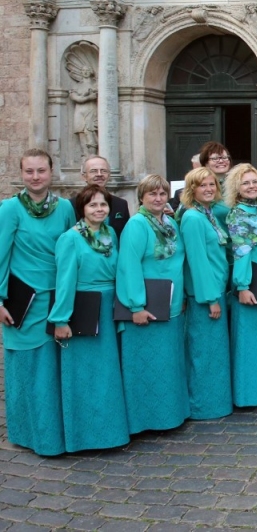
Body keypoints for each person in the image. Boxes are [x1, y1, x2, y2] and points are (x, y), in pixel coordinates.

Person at [0, 149, 76, 455]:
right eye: (29, 171)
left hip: (57, 298)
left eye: (41, 171)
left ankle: (58, 432)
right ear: (21, 174)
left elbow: (73, 250)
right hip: (23, 302)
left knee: (55, 369)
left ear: (51, 172)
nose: (35, 177)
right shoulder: (9, 209)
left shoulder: (66, 208)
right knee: (28, 368)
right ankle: (29, 433)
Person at [50, 184, 130, 452]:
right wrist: (61, 320)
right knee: (86, 373)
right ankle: (85, 435)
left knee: (108, 373)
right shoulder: (70, 238)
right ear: (82, 210)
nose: (99, 209)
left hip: (109, 309)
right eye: (93, 205)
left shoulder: (110, 235)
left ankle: (111, 431)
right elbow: (64, 282)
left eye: (103, 204)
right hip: (83, 307)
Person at [116, 174, 188, 434]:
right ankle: (145, 420)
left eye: (162, 193)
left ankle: (169, 415)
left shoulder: (170, 222)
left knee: (168, 364)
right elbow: (129, 266)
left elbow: (179, 261)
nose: (158, 198)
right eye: (152, 194)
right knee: (147, 366)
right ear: (142, 198)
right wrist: (136, 306)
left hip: (171, 304)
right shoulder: (137, 225)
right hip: (147, 307)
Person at [178, 167, 232, 420]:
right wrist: (211, 300)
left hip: (217, 291)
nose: (209, 188)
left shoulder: (208, 213)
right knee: (204, 354)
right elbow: (197, 262)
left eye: (212, 184)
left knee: (215, 353)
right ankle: (202, 406)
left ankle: (215, 403)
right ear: (192, 190)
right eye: (202, 185)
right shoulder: (192, 218)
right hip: (205, 297)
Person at [224, 164, 257, 408]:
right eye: (246, 183)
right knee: (248, 341)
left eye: (255, 181)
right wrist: (243, 286)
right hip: (250, 280)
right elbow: (241, 252)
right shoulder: (239, 214)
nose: (251, 186)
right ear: (237, 188)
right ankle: (246, 396)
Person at [77, 155, 130, 237]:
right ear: (84, 176)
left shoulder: (121, 204)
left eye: (103, 171)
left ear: (109, 175)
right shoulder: (72, 204)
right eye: (93, 171)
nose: (99, 174)